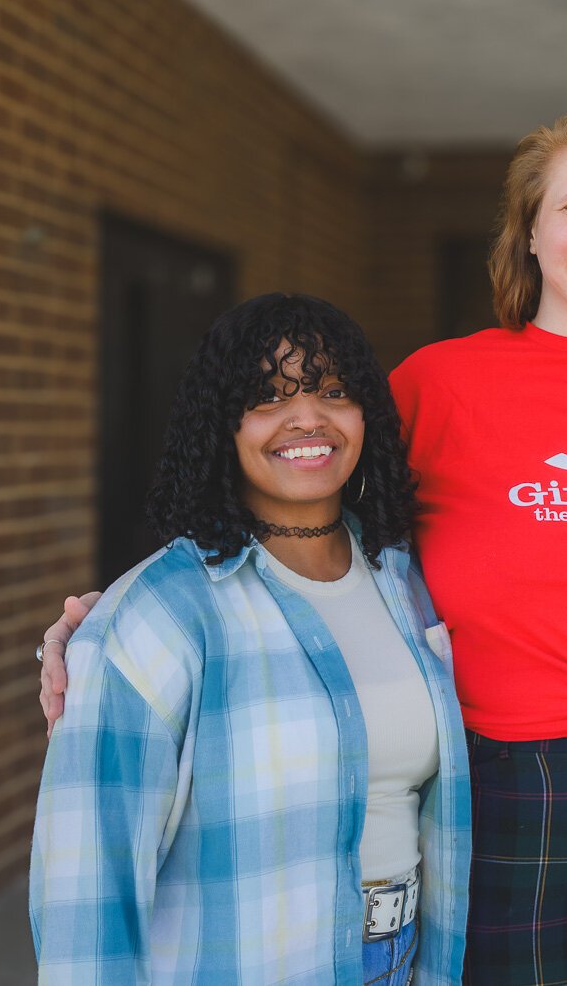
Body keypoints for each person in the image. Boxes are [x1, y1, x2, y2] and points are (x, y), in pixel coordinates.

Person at [38, 112, 567, 984]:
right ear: (528, 232)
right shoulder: (440, 383)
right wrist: (126, 618)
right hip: (521, 786)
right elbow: (300, 510)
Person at [30, 294, 470, 986]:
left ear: (366, 417)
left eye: (333, 390)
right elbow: (87, 883)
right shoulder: (160, 615)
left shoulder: (404, 581)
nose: (308, 418)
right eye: (270, 396)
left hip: (408, 960)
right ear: (223, 424)